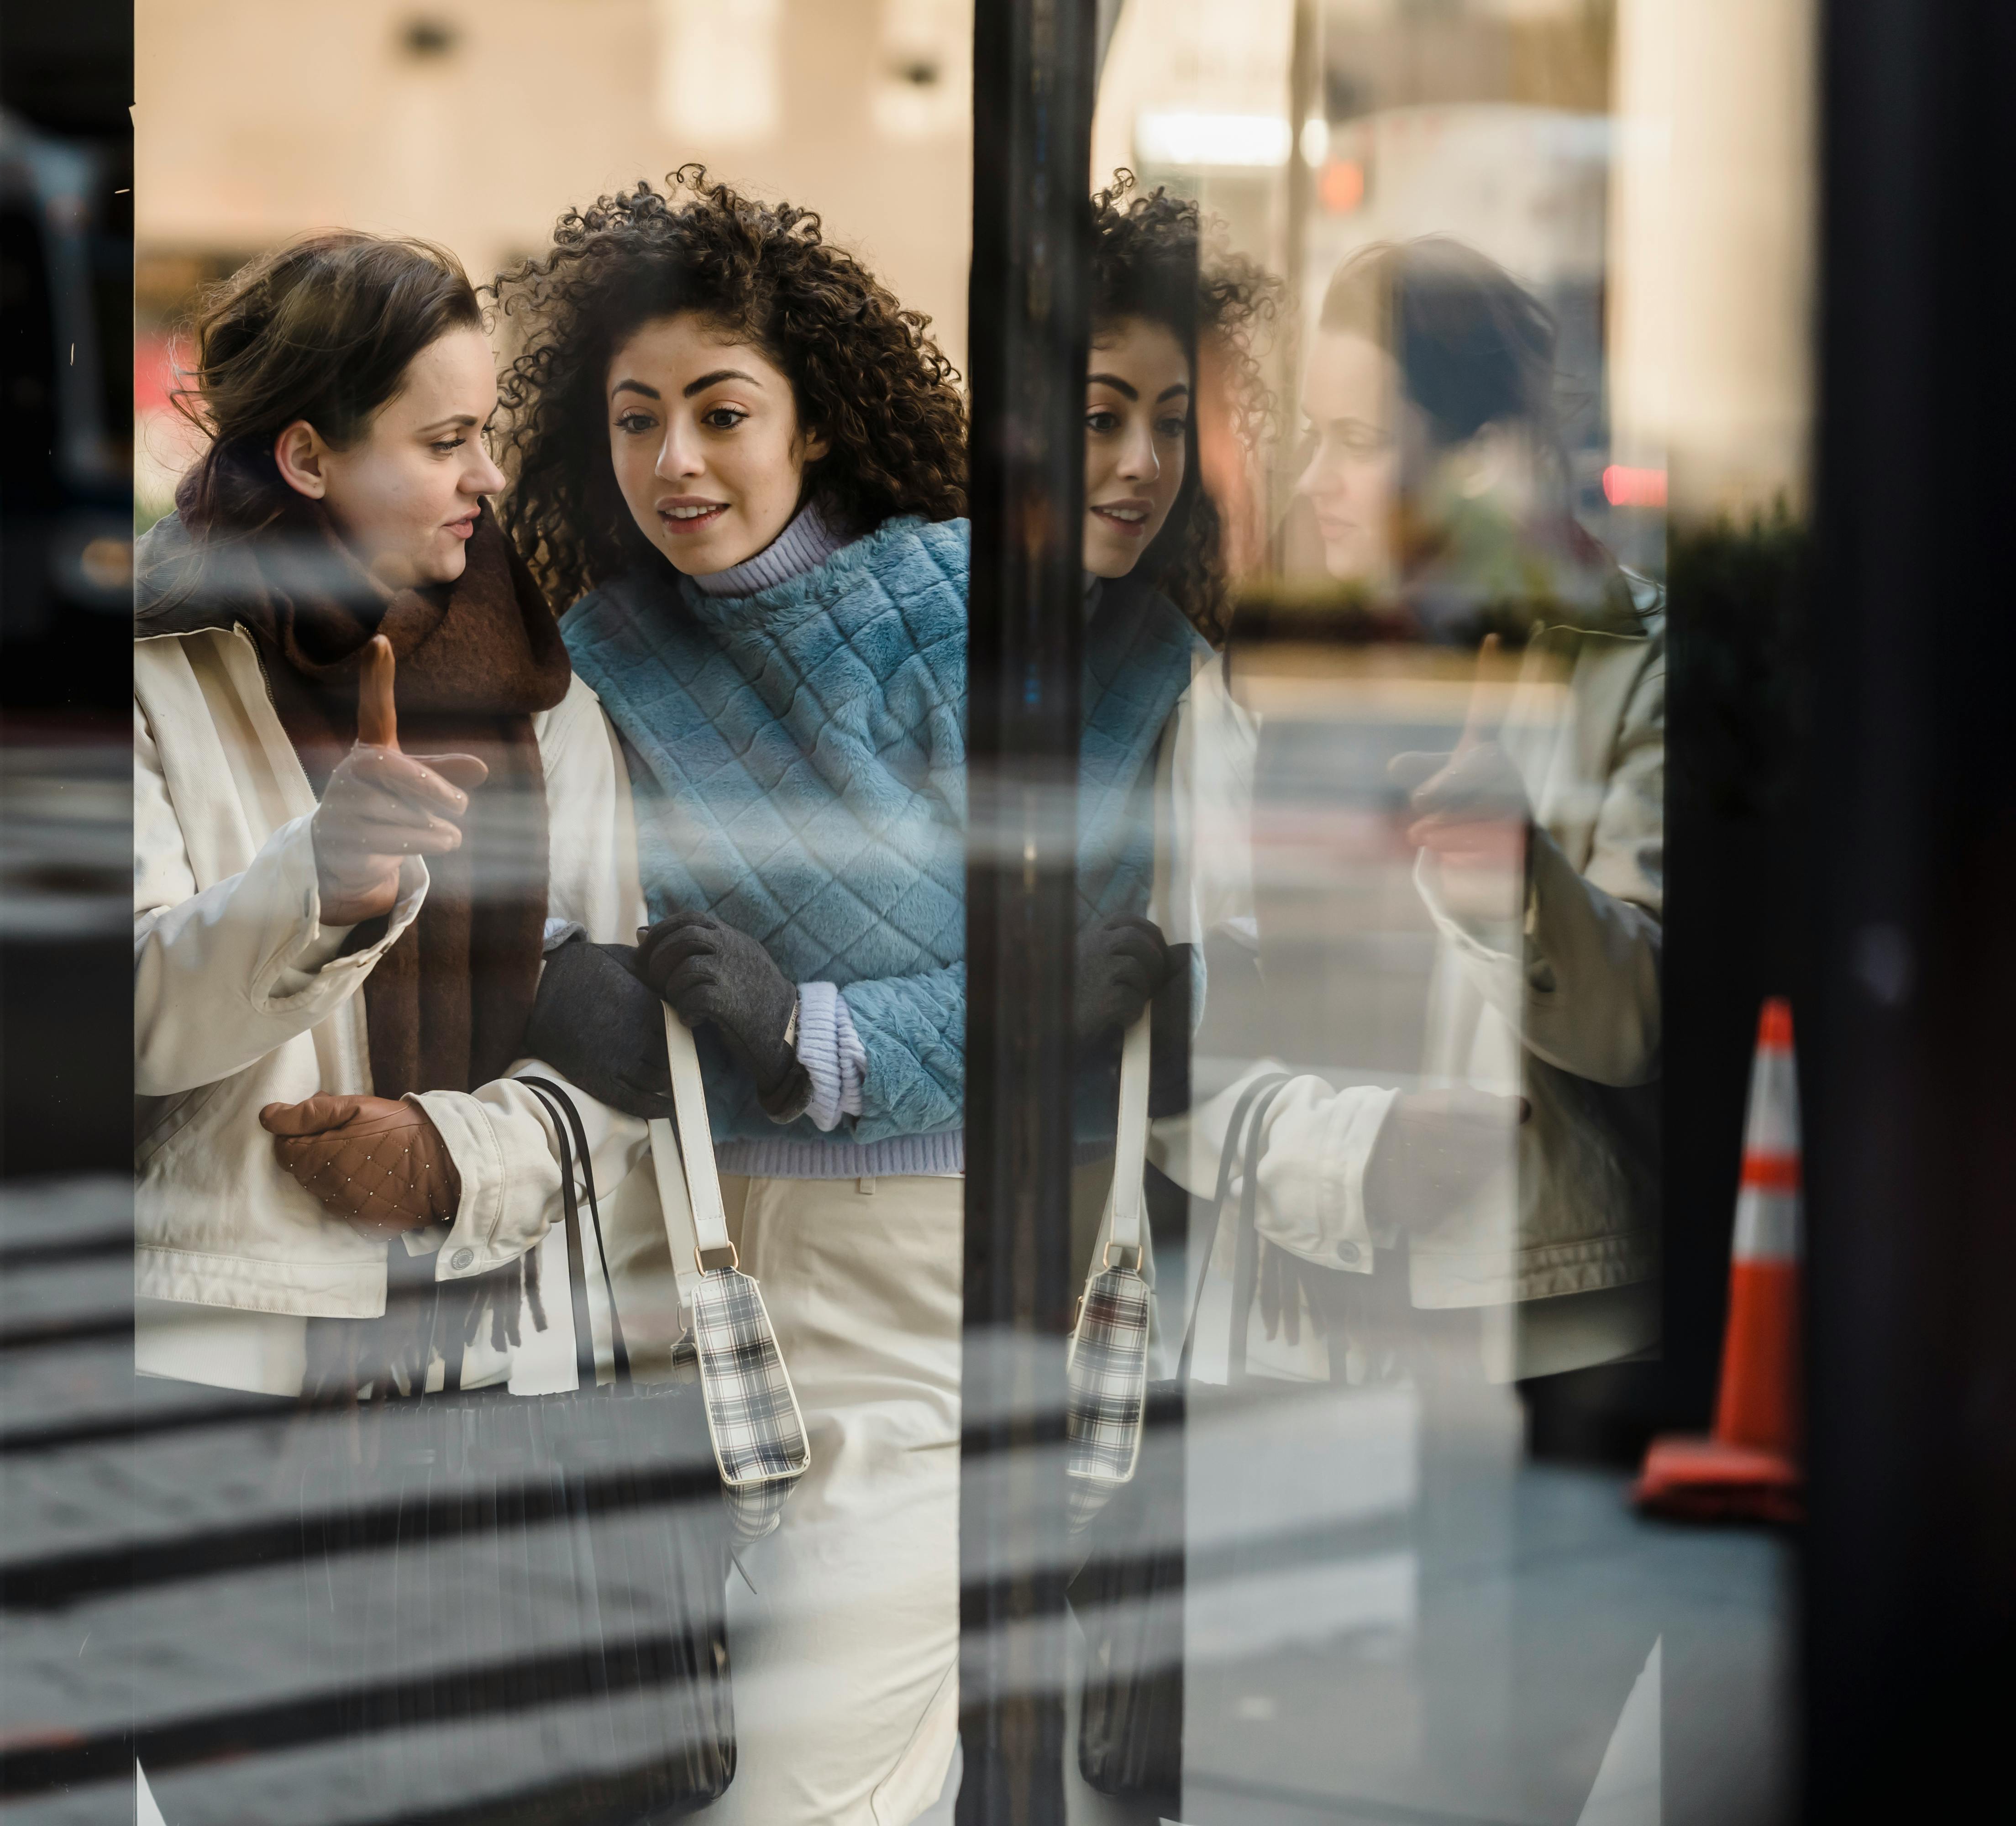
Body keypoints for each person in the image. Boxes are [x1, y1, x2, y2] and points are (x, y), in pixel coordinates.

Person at [490, 168, 1271, 1826]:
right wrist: (559, 987)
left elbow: (1082, 978)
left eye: (721, 410)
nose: (675, 464)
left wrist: (807, 1034)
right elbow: (562, 927)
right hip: (698, 1289)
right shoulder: (601, 652)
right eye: (636, 420)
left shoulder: (986, 612)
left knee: (810, 1780)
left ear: (817, 421)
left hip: (955, 1276)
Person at [131, 231, 670, 1402]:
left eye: (487, 434)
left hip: (497, 1341)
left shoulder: (542, 689)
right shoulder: (153, 668)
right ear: (310, 458)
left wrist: (452, 1163)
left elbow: (614, 1009)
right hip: (232, 1355)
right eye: (445, 442)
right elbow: (128, 1020)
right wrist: (324, 879)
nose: (490, 478)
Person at [1263, 235, 1664, 1380]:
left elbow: (1644, 1016)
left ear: (1481, 460)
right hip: (1313, 1283)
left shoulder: (1632, 661)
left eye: (1358, 443)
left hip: (1541, 1318)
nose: (1312, 481)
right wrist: (1336, 1160)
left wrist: (1513, 874)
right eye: (1310, 438)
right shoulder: (1293, 659)